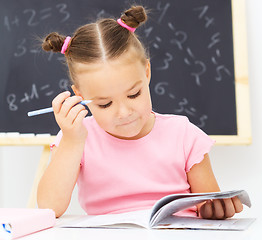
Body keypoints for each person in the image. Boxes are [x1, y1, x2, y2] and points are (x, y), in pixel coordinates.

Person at [37, 5, 243, 219]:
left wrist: (216, 208)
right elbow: (49, 208)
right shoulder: (75, 138)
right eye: (105, 104)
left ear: (146, 72)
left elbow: (208, 204)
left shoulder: (183, 135)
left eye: (134, 94)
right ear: (79, 96)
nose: (124, 112)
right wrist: (71, 141)